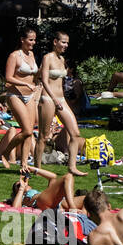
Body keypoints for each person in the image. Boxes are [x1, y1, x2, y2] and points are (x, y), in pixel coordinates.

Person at [37, 31, 85, 176]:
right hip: (48, 98)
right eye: (63, 42)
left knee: (75, 133)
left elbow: (61, 82)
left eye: (67, 43)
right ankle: (37, 167)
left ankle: (72, 166)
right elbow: (44, 80)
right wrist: (54, 98)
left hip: (61, 99)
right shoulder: (47, 58)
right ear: (55, 42)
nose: (65, 45)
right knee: (44, 136)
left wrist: (62, 98)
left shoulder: (62, 59)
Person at [0, 29, 41, 174]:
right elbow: (8, 78)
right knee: (26, 130)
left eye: (34, 40)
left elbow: (35, 75)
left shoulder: (32, 55)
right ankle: (5, 152)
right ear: (22, 40)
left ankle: (24, 164)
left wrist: (39, 80)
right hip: (15, 95)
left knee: (29, 131)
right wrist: (24, 84)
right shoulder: (14, 56)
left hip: (30, 96)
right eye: (30, 39)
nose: (33, 42)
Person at [8, 168, 86, 212]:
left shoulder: (46, 193)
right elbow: (15, 208)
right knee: (68, 176)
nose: (22, 184)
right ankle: (72, 208)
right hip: (41, 202)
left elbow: (52, 177)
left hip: (60, 203)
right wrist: (21, 188)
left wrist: (32, 169)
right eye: (17, 185)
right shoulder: (23, 198)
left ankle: (83, 219)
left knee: (88, 199)